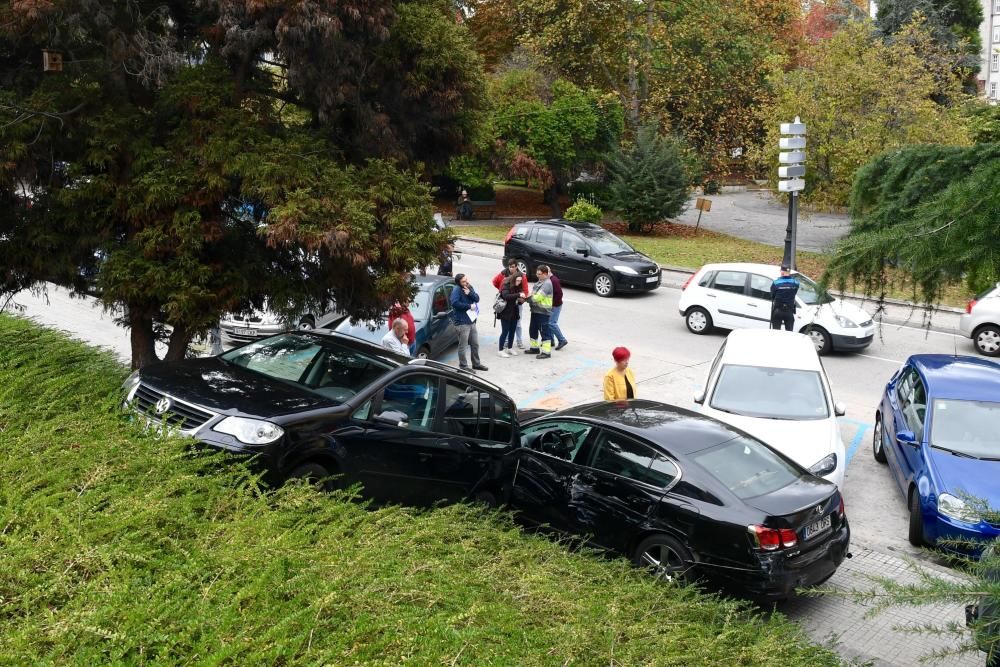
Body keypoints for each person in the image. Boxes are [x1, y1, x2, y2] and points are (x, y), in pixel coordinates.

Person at [450, 273, 488, 371]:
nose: (466, 282)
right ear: (459, 282)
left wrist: (469, 293)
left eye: (466, 280)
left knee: (475, 344)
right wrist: (469, 306)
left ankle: (476, 363)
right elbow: (454, 303)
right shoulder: (456, 290)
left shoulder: (469, 287)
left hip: (471, 320)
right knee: (463, 346)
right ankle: (463, 366)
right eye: (463, 281)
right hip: (462, 322)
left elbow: (477, 298)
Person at [491, 260, 529, 349]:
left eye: (513, 266)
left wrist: (523, 298)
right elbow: (496, 284)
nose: (511, 268)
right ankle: (505, 344)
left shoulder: (521, 276)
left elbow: (525, 290)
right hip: (506, 307)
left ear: (516, 267)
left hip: (516, 305)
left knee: (517, 325)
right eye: (510, 266)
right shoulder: (505, 278)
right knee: (506, 328)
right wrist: (502, 291)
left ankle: (518, 342)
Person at [526, 265, 554, 359]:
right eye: (537, 274)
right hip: (535, 311)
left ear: (545, 274)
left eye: (539, 274)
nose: (537, 276)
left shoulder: (547, 284)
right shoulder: (538, 282)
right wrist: (529, 297)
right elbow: (532, 294)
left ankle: (546, 352)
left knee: (544, 332)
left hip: (543, 312)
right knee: (532, 330)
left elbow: (537, 297)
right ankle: (534, 348)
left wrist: (527, 298)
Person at [496, 269, 525, 357]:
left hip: (514, 311)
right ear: (513, 279)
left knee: (512, 331)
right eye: (517, 280)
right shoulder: (506, 284)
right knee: (505, 331)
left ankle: (509, 348)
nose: (519, 282)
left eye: (520, 281)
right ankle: (500, 350)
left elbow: (517, 297)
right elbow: (506, 296)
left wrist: (522, 299)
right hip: (506, 312)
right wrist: (518, 295)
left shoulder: (518, 286)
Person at [770, 265, 800, 332]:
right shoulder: (795, 283)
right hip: (789, 311)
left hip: (777, 311)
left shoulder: (776, 283)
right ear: (789, 272)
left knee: (776, 332)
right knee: (789, 333)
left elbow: (772, 296)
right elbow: (795, 292)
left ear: (782, 272)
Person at [548, 270, 568, 350]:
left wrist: (553, 304)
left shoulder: (554, 280)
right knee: (549, 323)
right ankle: (551, 341)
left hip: (556, 305)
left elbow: (560, 294)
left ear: (548, 272)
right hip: (554, 305)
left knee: (551, 323)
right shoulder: (551, 279)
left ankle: (562, 340)